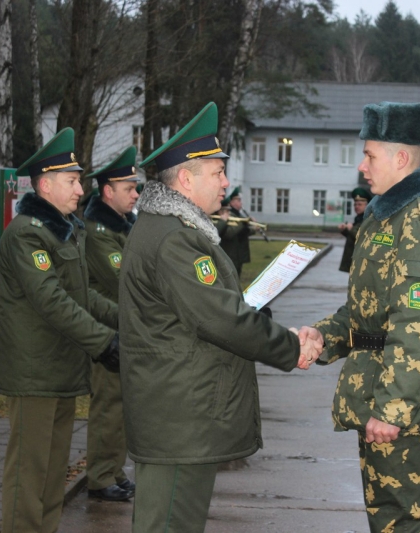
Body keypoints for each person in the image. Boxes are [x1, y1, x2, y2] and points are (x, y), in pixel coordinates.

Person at [119, 102, 320, 533]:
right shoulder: (175, 239)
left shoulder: (171, 229)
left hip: (178, 413)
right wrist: (291, 347)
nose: (226, 183)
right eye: (218, 172)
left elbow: (211, 308)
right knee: (170, 523)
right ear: (186, 179)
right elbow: (220, 319)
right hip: (179, 419)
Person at [298, 102, 420, 533]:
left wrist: (393, 409)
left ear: (401, 158)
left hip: (398, 402)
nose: (362, 166)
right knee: (387, 520)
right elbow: (367, 311)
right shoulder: (386, 216)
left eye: (369, 155)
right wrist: (323, 336)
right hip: (377, 391)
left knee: (401, 523)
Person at [0, 127, 121, 533]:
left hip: (61, 370)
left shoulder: (65, 229)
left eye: (79, 181)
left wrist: (129, 319)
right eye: (72, 181)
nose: (81, 190)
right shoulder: (27, 233)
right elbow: (52, 301)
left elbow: (83, 296)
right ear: (45, 185)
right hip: (35, 372)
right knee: (29, 472)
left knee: (52, 472)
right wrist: (104, 342)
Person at [82, 146, 142, 502]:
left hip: (124, 329)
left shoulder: (122, 226)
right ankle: (100, 476)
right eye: (129, 188)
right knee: (107, 405)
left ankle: (114, 470)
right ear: (108, 191)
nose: (135, 194)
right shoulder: (98, 232)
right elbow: (124, 280)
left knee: (121, 406)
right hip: (106, 332)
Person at [217, 186, 253, 276]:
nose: (228, 213)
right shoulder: (222, 219)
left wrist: (252, 228)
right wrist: (243, 223)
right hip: (229, 253)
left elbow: (243, 233)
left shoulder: (237, 215)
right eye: (226, 211)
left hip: (237, 252)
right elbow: (229, 234)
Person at [338, 187, 373, 273]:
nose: (356, 207)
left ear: (367, 205)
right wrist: (345, 230)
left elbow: (363, 237)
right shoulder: (359, 218)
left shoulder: (369, 219)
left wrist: (351, 228)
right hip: (355, 262)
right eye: (355, 204)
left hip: (361, 263)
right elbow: (353, 238)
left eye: (360, 204)